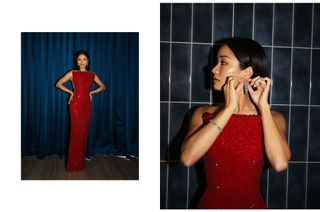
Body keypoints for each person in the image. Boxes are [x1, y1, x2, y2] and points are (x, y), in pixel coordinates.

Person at [180, 38, 291, 209]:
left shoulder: (273, 118)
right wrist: (228, 109)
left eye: (223, 62)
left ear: (247, 73)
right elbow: (187, 158)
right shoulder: (203, 114)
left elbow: (280, 163)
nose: (214, 69)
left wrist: (264, 107)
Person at [56, 50, 105, 171]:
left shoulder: (92, 74)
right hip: (76, 105)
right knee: (75, 133)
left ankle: (80, 163)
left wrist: (90, 92)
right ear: (76, 61)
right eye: (79, 59)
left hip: (86, 105)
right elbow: (58, 84)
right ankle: (72, 165)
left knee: (83, 133)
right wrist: (71, 92)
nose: (82, 61)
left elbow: (103, 86)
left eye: (84, 59)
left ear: (88, 61)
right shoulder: (72, 73)